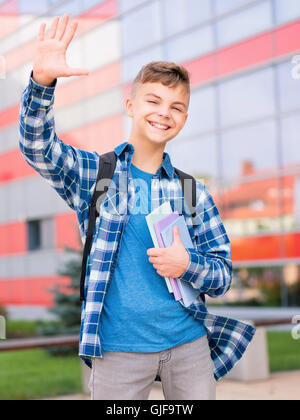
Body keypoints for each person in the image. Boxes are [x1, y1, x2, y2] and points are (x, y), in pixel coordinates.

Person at [19, 15, 256, 400]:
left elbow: (223, 274)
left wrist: (187, 265)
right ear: (131, 105)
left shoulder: (191, 190)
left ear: (184, 119)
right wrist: (42, 82)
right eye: (154, 100)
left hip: (189, 347)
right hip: (118, 352)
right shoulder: (96, 175)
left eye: (176, 107)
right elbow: (37, 148)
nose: (164, 112)